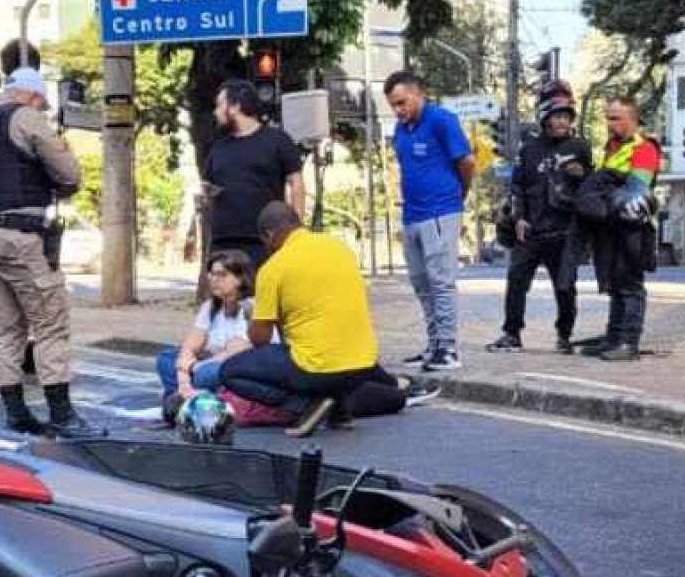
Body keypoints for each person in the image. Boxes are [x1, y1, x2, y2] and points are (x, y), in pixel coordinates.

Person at [0, 66, 102, 438]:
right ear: (34, 96)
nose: (43, 110)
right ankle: (62, 415)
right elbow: (69, 177)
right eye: (42, 103)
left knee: (6, 326)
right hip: (19, 238)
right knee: (51, 323)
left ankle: (15, 412)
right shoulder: (27, 119)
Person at [218, 202, 385, 439]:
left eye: (265, 242)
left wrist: (252, 316)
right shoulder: (339, 247)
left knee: (230, 371)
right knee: (321, 353)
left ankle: (305, 406)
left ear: (269, 235)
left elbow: (260, 339)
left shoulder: (274, 268)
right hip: (364, 363)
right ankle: (339, 408)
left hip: (317, 368)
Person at [385, 71, 475, 372]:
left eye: (402, 102)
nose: (398, 110)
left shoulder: (441, 120)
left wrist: (457, 196)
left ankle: (448, 348)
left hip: (440, 212)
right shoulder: (401, 129)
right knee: (421, 283)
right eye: (393, 105)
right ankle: (434, 343)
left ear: (418, 93)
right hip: (412, 214)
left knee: (441, 282)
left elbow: (466, 162)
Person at [488, 93, 591, 355]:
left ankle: (564, 335)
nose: (561, 122)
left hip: (564, 231)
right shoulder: (529, 149)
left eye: (566, 117)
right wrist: (520, 216)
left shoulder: (579, 147)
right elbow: (518, 186)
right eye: (557, 117)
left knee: (565, 286)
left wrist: (582, 175)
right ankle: (512, 333)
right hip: (531, 230)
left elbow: (591, 186)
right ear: (544, 118)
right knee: (516, 281)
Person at [576, 97, 662, 362]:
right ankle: (613, 339)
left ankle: (629, 343)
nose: (609, 123)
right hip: (612, 226)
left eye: (615, 118)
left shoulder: (644, 148)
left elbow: (636, 192)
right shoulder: (612, 148)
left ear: (632, 120)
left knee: (630, 285)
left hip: (632, 227)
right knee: (615, 283)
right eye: (608, 117)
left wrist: (602, 197)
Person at [202, 79, 306, 270]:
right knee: (224, 298)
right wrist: (208, 194)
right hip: (223, 243)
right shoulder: (218, 147)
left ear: (235, 106)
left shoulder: (277, 141)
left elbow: (296, 183)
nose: (215, 112)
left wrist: (295, 231)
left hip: (264, 241)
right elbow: (207, 188)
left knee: (262, 297)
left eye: (219, 105)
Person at [158, 249, 256, 419]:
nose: (213, 279)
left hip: (233, 368)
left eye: (222, 275)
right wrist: (183, 381)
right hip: (204, 365)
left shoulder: (249, 307)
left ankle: (178, 399)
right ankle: (186, 397)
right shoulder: (211, 307)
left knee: (208, 373)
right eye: (211, 274)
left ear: (240, 279)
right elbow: (191, 344)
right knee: (166, 358)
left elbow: (235, 351)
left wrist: (195, 367)